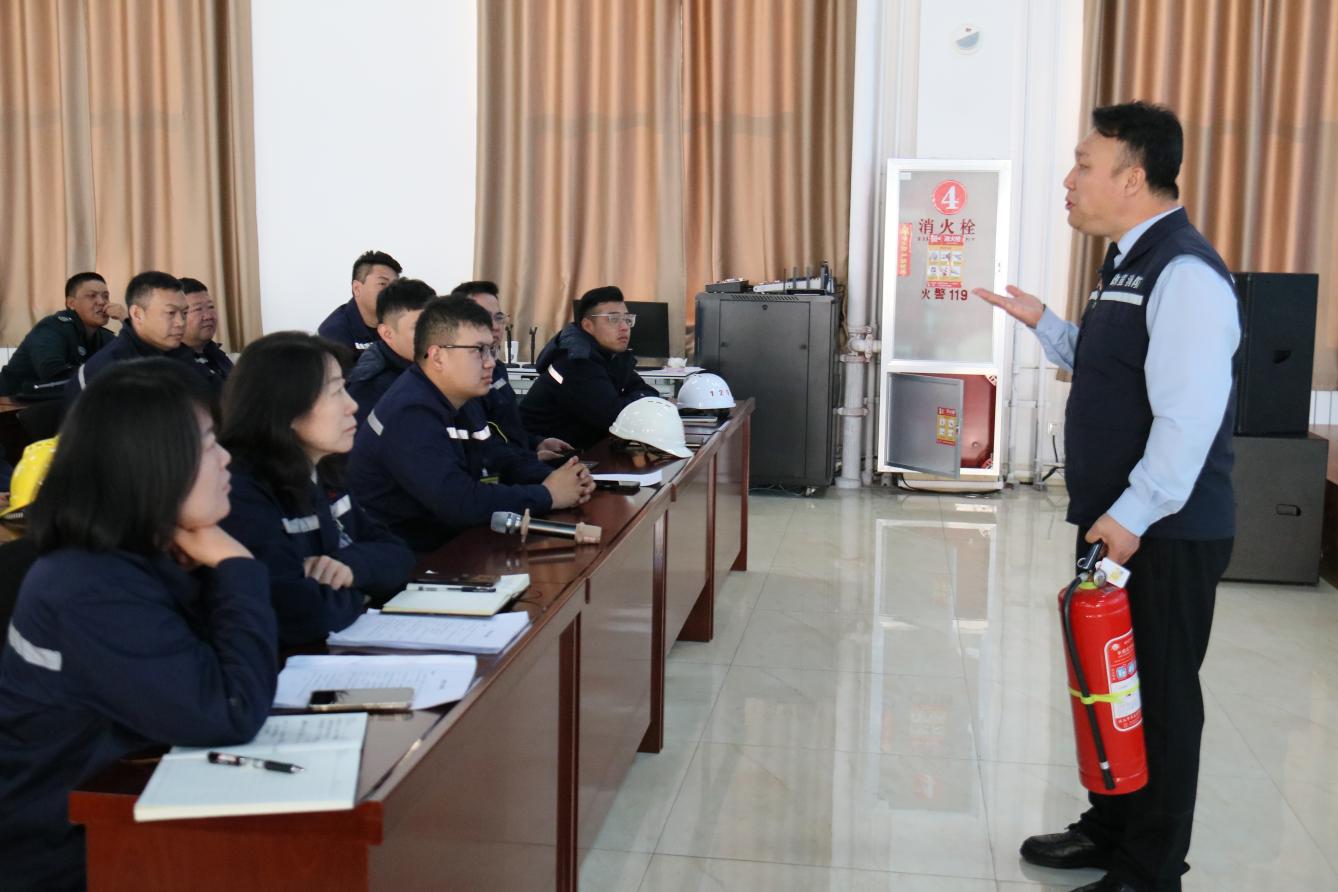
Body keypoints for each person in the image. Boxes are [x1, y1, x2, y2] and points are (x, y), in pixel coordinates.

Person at [974, 101, 1238, 892]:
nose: (1069, 179)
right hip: (1119, 522)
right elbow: (1111, 362)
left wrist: (1130, 518)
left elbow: (1187, 420)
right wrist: (1045, 324)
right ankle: (1110, 827)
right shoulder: (1127, 264)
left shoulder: (1186, 273)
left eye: (1084, 165)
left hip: (1162, 529)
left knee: (1159, 698)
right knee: (1110, 683)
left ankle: (1150, 870)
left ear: (1133, 177)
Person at [0, 359, 277, 891]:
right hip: (71, 848)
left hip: (134, 799)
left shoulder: (144, 550)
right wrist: (236, 567)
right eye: (208, 444)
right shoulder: (90, 585)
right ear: (151, 464)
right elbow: (228, 710)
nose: (226, 459)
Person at [348, 296, 594, 552]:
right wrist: (548, 495)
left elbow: (498, 458)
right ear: (437, 356)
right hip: (409, 556)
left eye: (491, 350)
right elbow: (459, 502)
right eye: (478, 351)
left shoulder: (459, 397)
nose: (490, 362)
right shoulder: (410, 411)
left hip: (452, 543)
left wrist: (560, 479)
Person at [219, 333, 414, 647]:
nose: (352, 405)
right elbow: (299, 613)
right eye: (336, 392)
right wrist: (363, 591)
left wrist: (350, 568)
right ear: (287, 408)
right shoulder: (242, 492)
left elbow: (398, 555)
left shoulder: (323, 469)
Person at [519, 285, 658, 449]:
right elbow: (615, 418)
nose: (624, 327)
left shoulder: (610, 355)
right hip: (539, 453)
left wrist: (636, 400)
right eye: (614, 319)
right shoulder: (577, 361)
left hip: (584, 449)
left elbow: (648, 393)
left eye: (627, 319)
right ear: (588, 326)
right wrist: (639, 400)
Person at [451, 279, 573, 461]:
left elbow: (508, 429)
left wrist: (537, 443)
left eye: (499, 318)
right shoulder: (457, 378)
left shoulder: (498, 368)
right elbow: (483, 449)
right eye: (483, 317)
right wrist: (530, 459)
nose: (495, 326)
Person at [63, 270, 219, 407]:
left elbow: (215, 399)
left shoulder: (178, 352)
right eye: (171, 313)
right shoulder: (109, 368)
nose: (180, 322)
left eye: (184, 313)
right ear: (137, 314)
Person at [0, 273, 117, 398]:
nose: (101, 302)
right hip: (12, 402)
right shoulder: (51, 328)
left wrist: (125, 319)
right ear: (71, 303)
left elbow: (129, 363)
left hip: (59, 403)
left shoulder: (105, 337)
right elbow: (52, 373)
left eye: (105, 296)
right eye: (92, 296)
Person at [347, 277, 435, 427]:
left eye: (436, 325)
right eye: (419, 328)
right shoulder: (368, 392)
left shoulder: (441, 368)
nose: (433, 336)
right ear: (387, 334)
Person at [317, 249, 402, 352]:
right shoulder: (333, 333)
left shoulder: (400, 322)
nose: (392, 291)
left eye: (395, 285)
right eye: (382, 284)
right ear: (357, 288)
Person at [179, 277, 234, 387]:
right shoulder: (174, 365)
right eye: (198, 309)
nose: (209, 316)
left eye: (211, 307)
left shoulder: (216, 354)